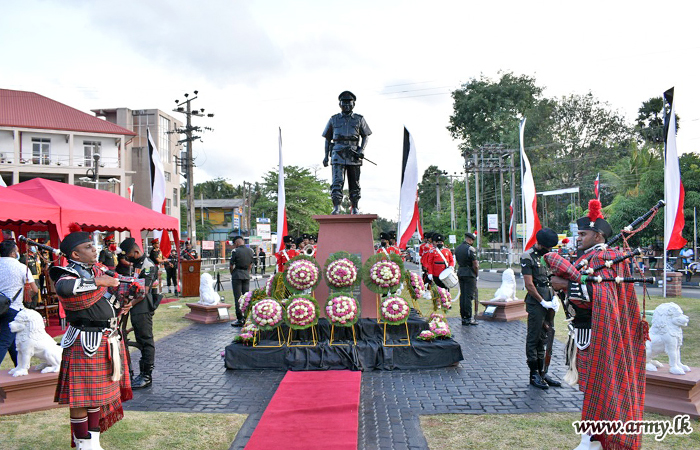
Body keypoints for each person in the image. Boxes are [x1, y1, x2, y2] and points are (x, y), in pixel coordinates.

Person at [551, 200, 645, 450]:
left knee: (599, 387)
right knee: (595, 388)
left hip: (598, 333)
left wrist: (566, 284)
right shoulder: (600, 256)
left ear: (598, 234)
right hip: (591, 331)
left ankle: (594, 440)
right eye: (578, 233)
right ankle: (593, 438)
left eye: (582, 234)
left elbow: (594, 296)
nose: (578, 238)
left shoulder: (604, 257)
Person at [49, 226, 139, 449]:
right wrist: (101, 283)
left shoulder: (97, 271)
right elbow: (65, 289)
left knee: (96, 397)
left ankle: (93, 442)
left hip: (106, 338)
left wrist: (122, 304)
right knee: (81, 397)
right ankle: (83, 442)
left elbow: (105, 301)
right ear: (75, 255)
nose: (94, 249)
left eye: (93, 245)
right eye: (88, 247)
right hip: (84, 341)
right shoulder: (67, 273)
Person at [520, 228, 561, 390]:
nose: (550, 250)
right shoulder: (527, 256)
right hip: (537, 302)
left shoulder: (547, 257)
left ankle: (543, 371)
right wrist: (542, 301)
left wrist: (554, 296)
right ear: (540, 244)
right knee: (534, 337)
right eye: (548, 247)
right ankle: (534, 374)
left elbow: (552, 277)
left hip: (549, 300)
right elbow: (529, 284)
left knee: (545, 336)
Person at [322, 90, 372, 215]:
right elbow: (328, 139)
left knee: (354, 181)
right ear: (339, 104)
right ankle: (336, 206)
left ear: (353, 104)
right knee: (337, 181)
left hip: (354, 153)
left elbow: (366, 136)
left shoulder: (359, 119)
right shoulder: (333, 119)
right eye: (344, 102)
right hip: (337, 153)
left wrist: (361, 150)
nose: (346, 105)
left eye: (349, 102)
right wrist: (325, 156)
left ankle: (355, 206)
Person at [120, 237, 159, 389]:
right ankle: (142, 373)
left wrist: (130, 304)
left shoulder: (147, 265)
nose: (127, 258)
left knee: (146, 340)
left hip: (142, 307)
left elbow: (144, 291)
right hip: (136, 307)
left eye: (128, 255)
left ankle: (147, 375)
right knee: (140, 340)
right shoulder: (137, 264)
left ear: (136, 251)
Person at [0, 240, 39, 367]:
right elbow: (34, 289)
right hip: (13, 307)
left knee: (12, 340)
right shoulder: (22, 267)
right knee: (5, 341)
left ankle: (19, 365)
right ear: (12, 253)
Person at [229, 236, 255, 327]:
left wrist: (233, 273)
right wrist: (247, 273)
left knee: (238, 298)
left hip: (237, 274)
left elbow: (231, 265)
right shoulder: (250, 251)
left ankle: (240, 319)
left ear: (236, 243)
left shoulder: (235, 251)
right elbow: (250, 264)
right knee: (246, 297)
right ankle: (247, 317)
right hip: (246, 274)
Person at [455, 232, 479, 326]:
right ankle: (468, 317)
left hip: (461, 271)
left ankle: (463, 317)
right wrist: (476, 273)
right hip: (469, 273)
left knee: (463, 295)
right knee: (468, 296)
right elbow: (475, 264)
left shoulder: (458, 248)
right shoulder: (470, 249)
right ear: (470, 239)